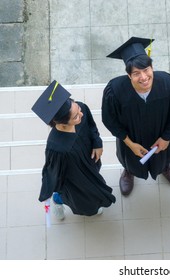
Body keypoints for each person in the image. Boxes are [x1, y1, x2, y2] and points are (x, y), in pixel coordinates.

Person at [102, 37, 170, 196]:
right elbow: (110, 120)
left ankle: (165, 167)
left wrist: (167, 137)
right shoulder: (114, 90)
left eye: (146, 70)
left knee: (162, 156)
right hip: (132, 137)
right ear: (128, 75)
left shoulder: (168, 83)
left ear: (152, 67)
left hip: (161, 134)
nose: (143, 77)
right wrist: (129, 143)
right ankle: (129, 171)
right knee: (131, 160)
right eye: (136, 73)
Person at [31, 81, 116, 220]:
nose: (81, 115)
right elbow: (53, 171)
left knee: (94, 190)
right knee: (82, 200)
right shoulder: (56, 147)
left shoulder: (80, 108)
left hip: (89, 160)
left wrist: (97, 143)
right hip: (74, 178)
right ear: (62, 123)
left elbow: (91, 126)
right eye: (76, 116)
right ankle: (57, 200)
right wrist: (49, 189)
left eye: (78, 109)